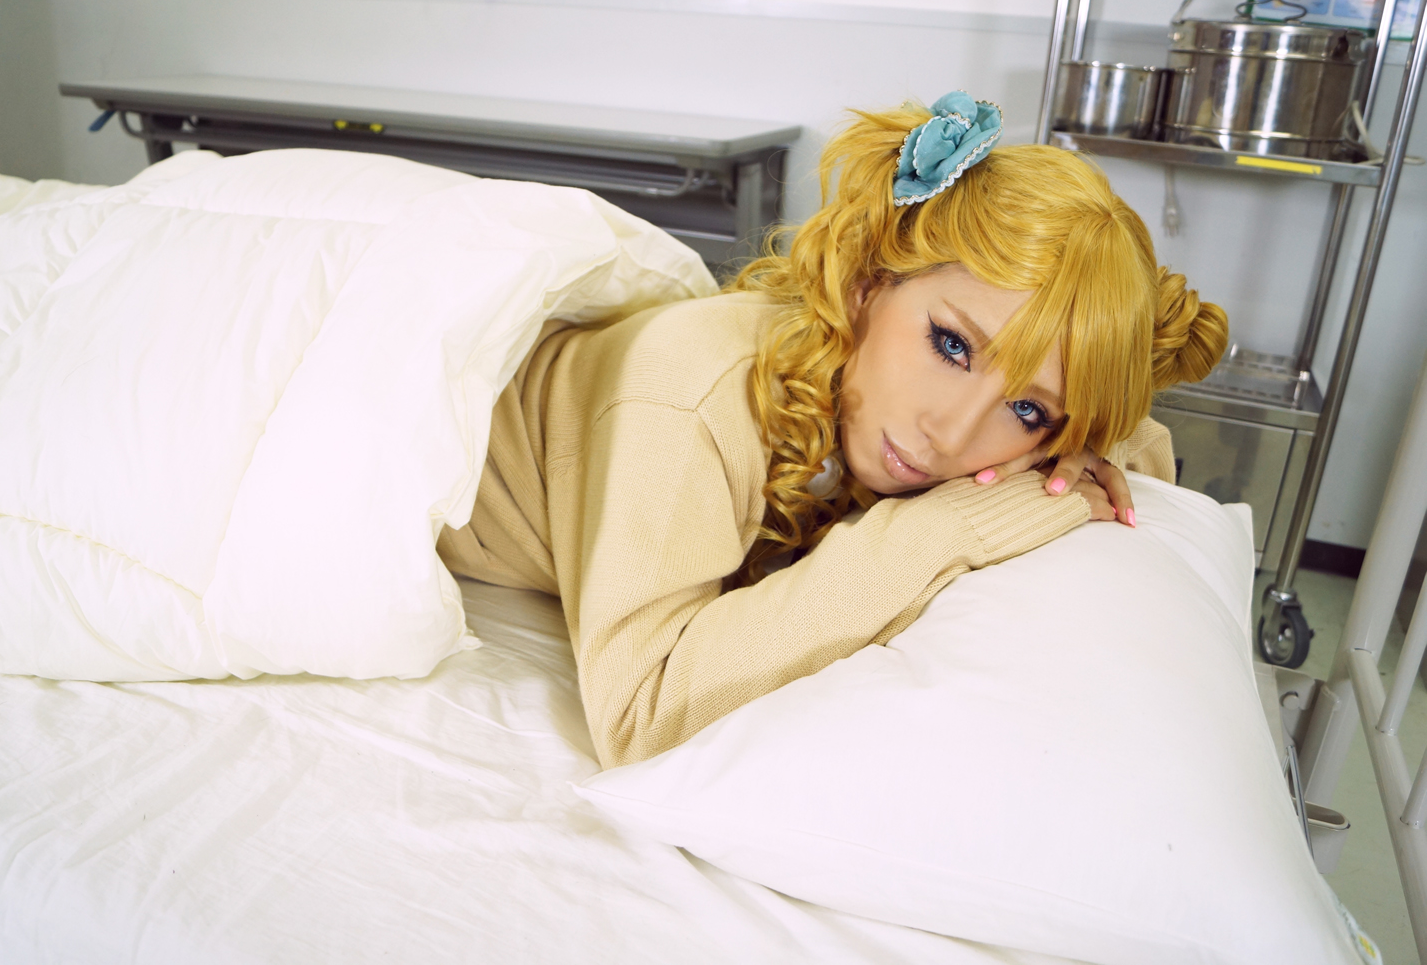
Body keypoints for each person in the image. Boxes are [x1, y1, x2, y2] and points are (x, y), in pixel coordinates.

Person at [437, 92, 1229, 768]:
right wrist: (940, 531)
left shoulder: (946, 411)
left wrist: (1072, 441)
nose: (950, 435)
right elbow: (641, 714)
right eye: (951, 346)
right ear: (868, 283)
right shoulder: (693, 395)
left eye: (1028, 409)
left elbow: (1138, 451)